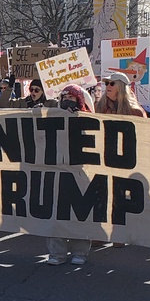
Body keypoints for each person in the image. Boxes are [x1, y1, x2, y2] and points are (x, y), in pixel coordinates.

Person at [47, 85, 96, 265]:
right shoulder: (52, 117)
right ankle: (56, 253)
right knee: (55, 213)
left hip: (81, 174)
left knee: (80, 213)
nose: (67, 100)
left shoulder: (88, 118)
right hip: (57, 172)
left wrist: (76, 119)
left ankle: (80, 252)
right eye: (64, 96)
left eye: (71, 97)